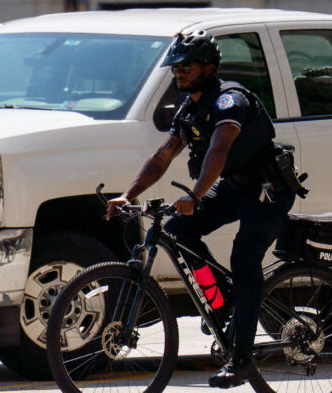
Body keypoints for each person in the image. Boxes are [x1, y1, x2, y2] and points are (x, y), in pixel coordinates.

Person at [107, 30, 297, 388]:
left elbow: (220, 150)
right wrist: (128, 194)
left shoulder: (229, 101)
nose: (178, 72)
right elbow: (163, 156)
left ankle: (241, 358)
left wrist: (195, 195)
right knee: (179, 230)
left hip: (267, 190)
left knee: (244, 258)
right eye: (175, 67)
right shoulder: (189, 106)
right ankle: (221, 300)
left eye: (186, 66)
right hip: (235, 187)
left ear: (209, 67)